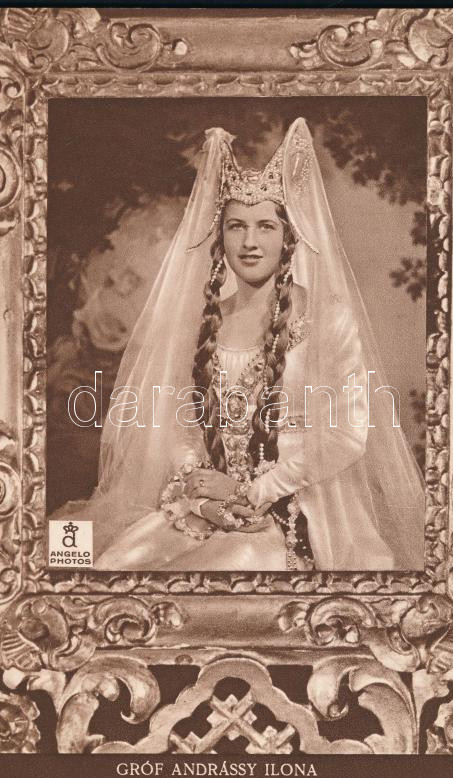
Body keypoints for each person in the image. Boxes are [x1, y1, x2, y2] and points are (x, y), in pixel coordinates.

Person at [57, 118, 425, 572]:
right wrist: (200, 487)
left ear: (289, 235)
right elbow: (179, 425)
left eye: (265, 226)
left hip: (296, 509)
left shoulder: (326, 319)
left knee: (222, 566)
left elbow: (346, 434)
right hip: (208, 506)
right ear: (221, 236)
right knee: (113, 562)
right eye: (236, 226)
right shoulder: (204, 322)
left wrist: (253, 491)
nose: (250, 242)